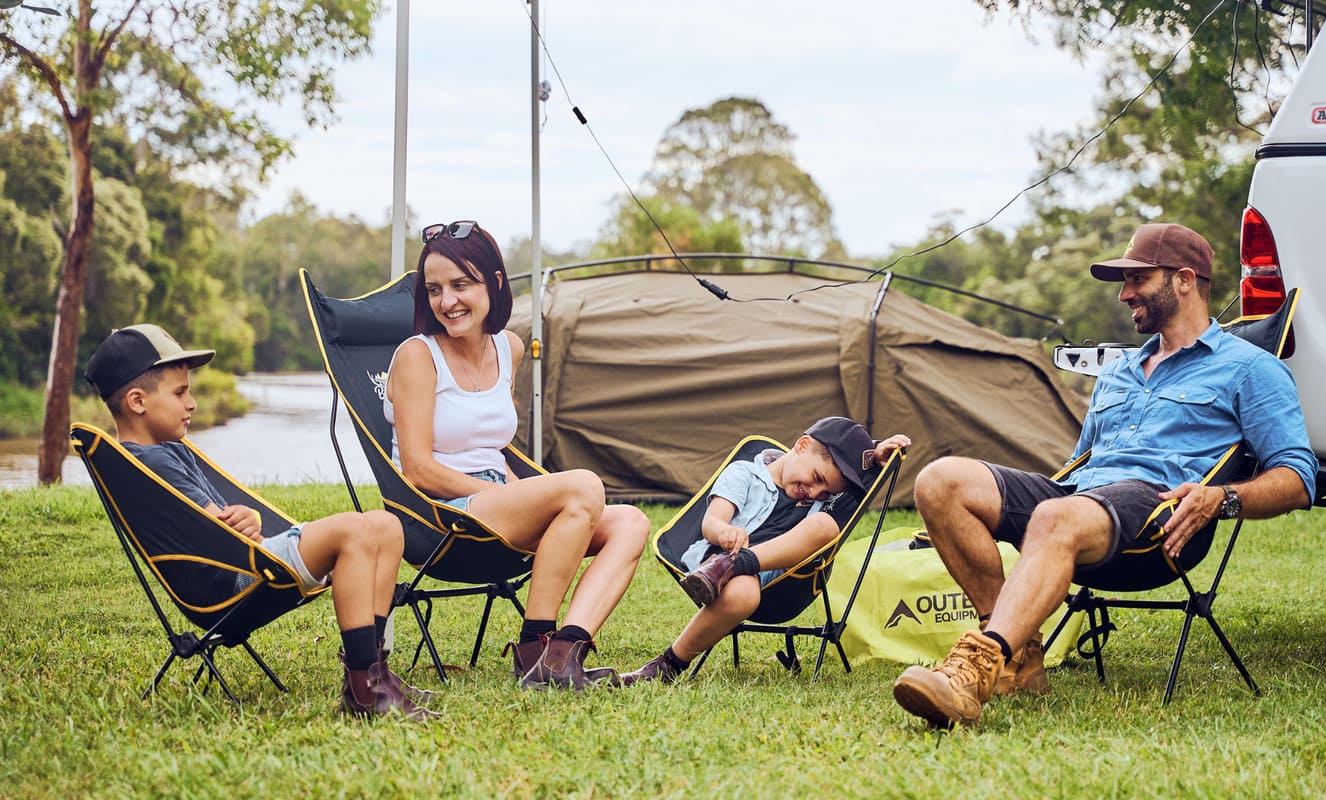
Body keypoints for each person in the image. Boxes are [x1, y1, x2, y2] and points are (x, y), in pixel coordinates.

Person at [892, 222, 1318, 728]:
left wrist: (1220, 499)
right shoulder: (1118, 371)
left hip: (1160, 519)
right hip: (1080, 501)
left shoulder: (1251, 369)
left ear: (1184, 280)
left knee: (1055, 515)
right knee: (940, 480)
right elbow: (1081, 462)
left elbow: (1299, 478)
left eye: (1138, 279)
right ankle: (1019, 657)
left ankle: (974, 672)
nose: (1124, 294)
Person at [85, 324, 436, 721]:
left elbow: (213, 522)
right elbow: (215, 529)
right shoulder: (151, 462)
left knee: (386, 526)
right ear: (137, 401)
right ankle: (365, 691)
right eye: (180, 393)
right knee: (357, 531)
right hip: (236, 580)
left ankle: (375, 673)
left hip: (242, 564)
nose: (192, 403)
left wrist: (247, 519)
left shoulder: (164, 451)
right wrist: (248, 520)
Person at [383, 220, 650, 691]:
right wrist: (504, 493)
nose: (447, 301)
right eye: (434, 289)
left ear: (494, 282)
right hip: (444, 515)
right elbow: (418, 469)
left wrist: (517, 490)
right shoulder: (418, 356)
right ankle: (534, 646)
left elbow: (492, 443)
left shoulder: (508, 347)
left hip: (497, 505)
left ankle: (565, 652)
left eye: (461, 285)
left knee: (631, 522)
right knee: (584, 485)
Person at [620, 416, 910, 685]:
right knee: (743, 592)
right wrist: (724, 531)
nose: (815, 492)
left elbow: (858, 488)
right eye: (817, 478)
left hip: (780, 585)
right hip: (714, 567)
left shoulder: (822, 503)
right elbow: (711, 522)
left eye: (826, 492)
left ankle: (735, 565)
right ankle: (668, 664)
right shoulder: (745, 473)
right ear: (802, 445)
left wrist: (875, 453)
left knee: (825, 525)